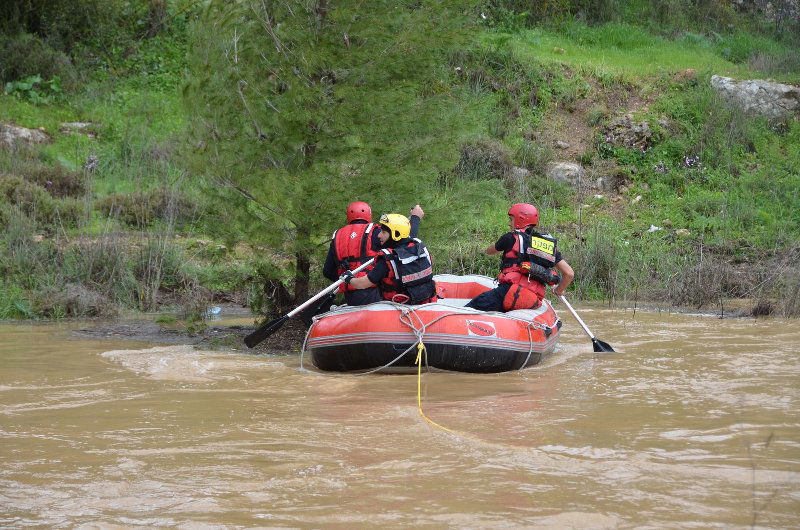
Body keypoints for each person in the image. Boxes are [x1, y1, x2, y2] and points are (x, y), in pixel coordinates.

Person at [465, 203, 574, 312]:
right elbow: (569, 273)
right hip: (532, 300)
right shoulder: (548, 246)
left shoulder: (510, 237)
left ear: (520, 220)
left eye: (511, 219)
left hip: (508, 292)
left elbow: (489, 251)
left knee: (468, 309)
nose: (509, 223)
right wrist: (559, 290)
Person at [322, 202, 425, 306]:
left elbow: (328, 271)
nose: (381, 235)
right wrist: (415, 218)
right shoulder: (375, 232)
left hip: (351, 297)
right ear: (369, 215)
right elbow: (404, 244)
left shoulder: (337, 236)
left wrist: (349, 280)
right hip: (375, 293)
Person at [345, 213, 437, 305]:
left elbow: (362, 284)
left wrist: (349, 278)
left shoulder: (388, 260)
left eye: (383, 232)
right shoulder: (421, 248)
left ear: (396, 234)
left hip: (401, 308)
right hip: (428, 303)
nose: (379, 235)